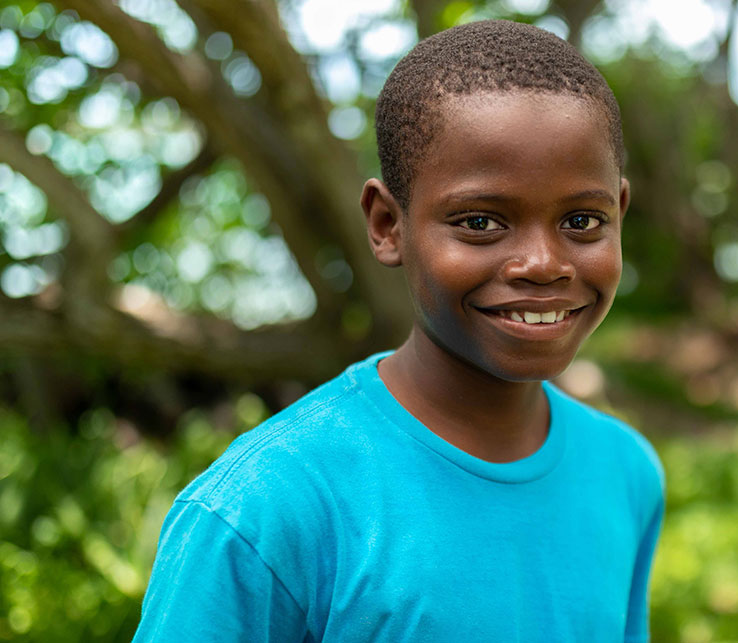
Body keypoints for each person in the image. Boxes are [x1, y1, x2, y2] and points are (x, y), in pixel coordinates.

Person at [133, 19, 663, 642]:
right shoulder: (266, 509)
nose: (543, 264)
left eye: (581, 220)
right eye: (480, 222)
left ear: (619, 214)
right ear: (388, 225)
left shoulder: (624, 472)